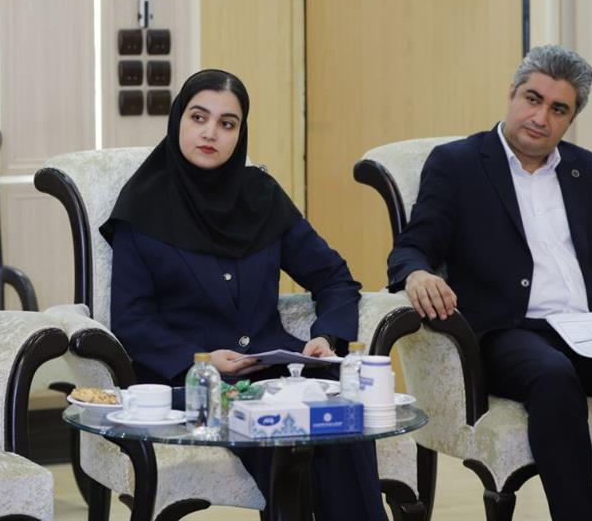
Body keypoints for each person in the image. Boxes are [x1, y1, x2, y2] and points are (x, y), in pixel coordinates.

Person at [387, 45, 592, 521]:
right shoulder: (458, 164)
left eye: (558, 109)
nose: (540, 117)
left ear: (571, 118)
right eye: (532, 99)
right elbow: (412, 246)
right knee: (552, 377)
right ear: (512, 94)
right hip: (510, 331)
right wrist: (417, 273)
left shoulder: (591, 172)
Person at [101, 69, 387, 521]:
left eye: (227, 123)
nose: (210, 132)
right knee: (284, 447)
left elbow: (334, 278)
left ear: (240, 134)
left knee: (341, 423)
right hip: (196, 384)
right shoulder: (141, 207)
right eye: (199, 117)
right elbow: (132, 321)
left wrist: (326, 337)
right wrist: (202, 361)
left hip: (276, 373)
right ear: (178, 120)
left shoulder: (262, 196)